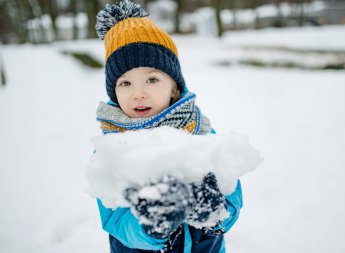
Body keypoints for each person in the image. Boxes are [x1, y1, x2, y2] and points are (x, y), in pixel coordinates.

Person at [94, 1, 242, 252]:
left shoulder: (200, 132)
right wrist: (150, 226)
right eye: (125, 83)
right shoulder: (112, 147)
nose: (138, 94)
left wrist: (217, 210)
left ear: (174, 86)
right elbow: (114, 220)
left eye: (151, 79)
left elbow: (233, 195)